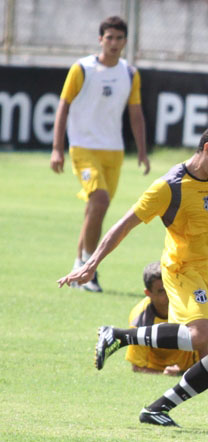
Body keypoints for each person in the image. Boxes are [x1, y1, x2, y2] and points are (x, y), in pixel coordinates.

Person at [58, 125, 208, 427]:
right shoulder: (169, 187)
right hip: (183, 269)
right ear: (207, 149)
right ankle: (118, 335)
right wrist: (91, 263)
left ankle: (157, 409)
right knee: (200, 336)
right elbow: (124, 225)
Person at [50, 15, 151, 292]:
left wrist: (142, 151)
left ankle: (78, 267)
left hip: (114, 151)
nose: (114, 43)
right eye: (109, 38)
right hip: (83, 148)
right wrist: (57, 148)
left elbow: (135, 113)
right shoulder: (82, 69)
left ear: (125, 41)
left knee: (95, 208)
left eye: (119, 38)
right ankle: (89, 271)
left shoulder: (130, 74)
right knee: (101, 201)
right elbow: (63, 106)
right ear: (100, 39)